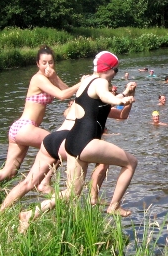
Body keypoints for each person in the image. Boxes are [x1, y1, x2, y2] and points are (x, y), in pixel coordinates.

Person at [18, 51, 137, 232]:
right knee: (131, 163)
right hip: (86, 142)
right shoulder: (101, 82)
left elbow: (103, 101)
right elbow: (107, 98)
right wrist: (119, 99)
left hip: (71, 142)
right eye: (116, 70)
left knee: (71, 193)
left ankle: (30, 214)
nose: (116, 74)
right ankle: (114, 206)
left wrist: (126, 94)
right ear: (109, 69)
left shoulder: (87, 81)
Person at [0, 45, 83, 208]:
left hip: (20, 129)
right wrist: (83, 82)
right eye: (44, 63)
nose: (48, 66)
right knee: (58, 145)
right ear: (37, 64)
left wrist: (55, 78)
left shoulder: (49, 78)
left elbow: (68, 91)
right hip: (26, 127)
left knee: (9, 172)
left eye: (51, 62)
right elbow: (62, 95)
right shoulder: (38, 79)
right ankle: (45, 183)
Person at [0, 103, 110, 218]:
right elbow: (120, 115)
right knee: (103, 160)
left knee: (28, 182)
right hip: (68, 140)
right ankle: (93, 197)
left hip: (53, 138)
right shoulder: (99, 100)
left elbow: (67, 112)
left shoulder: (81, 97)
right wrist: (122, 97)